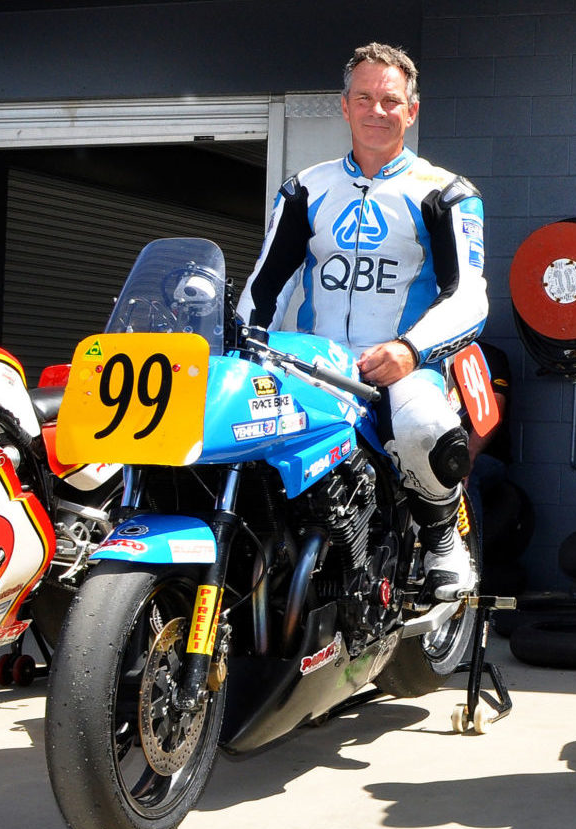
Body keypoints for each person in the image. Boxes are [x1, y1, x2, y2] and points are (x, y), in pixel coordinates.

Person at [237, 42, 488, 602]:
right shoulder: (304, 188)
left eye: (391, 101)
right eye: (365, 99)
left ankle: (444, 536)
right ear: (344, 107)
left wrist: (411, 350)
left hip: (400, 364)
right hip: (309, 361)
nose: (378, 110)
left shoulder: (446, 193)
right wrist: (242, 346)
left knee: (425, 428)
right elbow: (265, 284)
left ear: (411, 111)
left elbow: (470, 297)